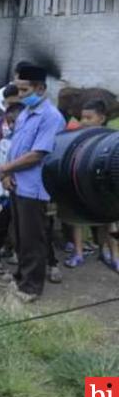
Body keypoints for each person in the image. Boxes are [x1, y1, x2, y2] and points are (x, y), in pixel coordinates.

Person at [0, 64, 65, 302]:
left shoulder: (51, 117)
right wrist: (6, 174)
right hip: (16, 182)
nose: (21, 94)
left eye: (25, 90)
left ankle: (31, 287)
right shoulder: (26, 112)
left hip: (35, 187)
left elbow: (38, 153)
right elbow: (15, 146)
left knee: (33, 238)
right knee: (20, 235)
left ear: (40, 88)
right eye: (18, 89)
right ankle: (20, 276)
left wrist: (6, 168)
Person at [63, 100, 119, 271]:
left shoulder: (111, 138)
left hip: (103, 187)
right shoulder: (77, 137)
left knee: (108, 221)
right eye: (82, 118)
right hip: (79, 184)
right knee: (78, 220)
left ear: (101, 118)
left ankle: (113, 255)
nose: (84, 121)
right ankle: (78, 253)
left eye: (89, 117)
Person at [0, 102, 25, 275]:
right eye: (10, 122)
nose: (13, 126)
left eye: (17, 122)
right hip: (6, 194)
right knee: (1, 225)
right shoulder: (4, 143)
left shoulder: (31, 144)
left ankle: (44, 262)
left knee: (26, 229)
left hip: (26, 193)